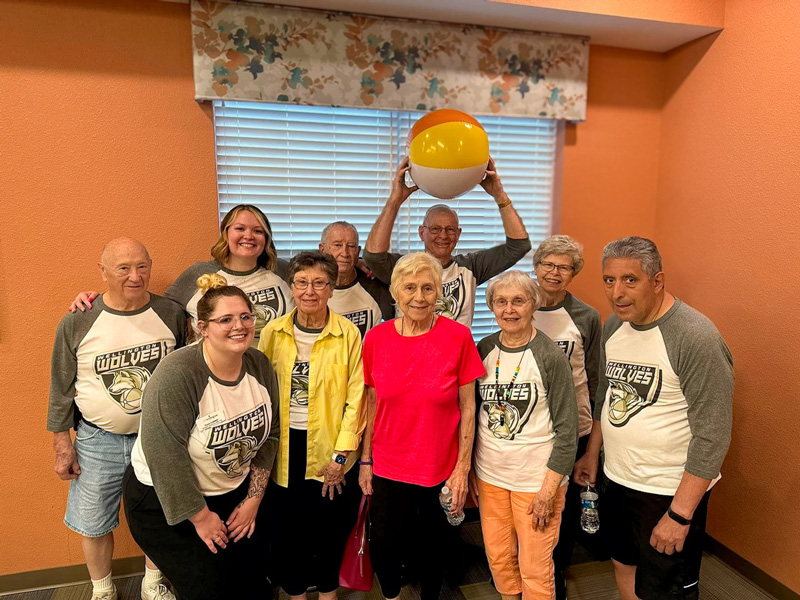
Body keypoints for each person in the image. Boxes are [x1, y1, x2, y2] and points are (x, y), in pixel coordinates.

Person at [573, 236, 734, 600]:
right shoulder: (615, 326)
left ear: (657, 281)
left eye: (631, 280)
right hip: (618, 478)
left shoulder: (695, 337)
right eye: (609, 280)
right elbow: (606, 398)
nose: (617, 292)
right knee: (624, 564)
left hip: (666, 491)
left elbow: (713, 434)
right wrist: (592, 455)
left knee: (665, 589)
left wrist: (679, 515)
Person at [124, 274, 280, 600]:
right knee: (209, 589)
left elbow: (272, 435)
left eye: (245, 316)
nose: (239, 325)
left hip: (229, 491)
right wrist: (200, 516)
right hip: (165, 499)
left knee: (255, 582)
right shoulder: (178, 374)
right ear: (202, 327)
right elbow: (164, 453)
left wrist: (253, 498)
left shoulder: (259, 365)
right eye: (225, 319)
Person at [47, 237, 187, 600]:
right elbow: (60, 387)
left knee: (162, 513)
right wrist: (62, 444)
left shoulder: (171, 313)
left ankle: (153, 583)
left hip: (160, 438)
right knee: (92, 522)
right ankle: (102, 589)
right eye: (123, 268)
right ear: (103, 272)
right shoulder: (78, 319)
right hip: (97, 440)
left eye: (142, 266)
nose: (135, 276)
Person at [359, 252, 485, 600]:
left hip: (439, 464)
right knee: (384, 541)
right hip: (388, 463)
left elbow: (469, 408)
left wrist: (462, 469)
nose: (419, 297)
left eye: (428, 288)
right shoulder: (376, 339)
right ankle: (391, 595)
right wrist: (365, 460)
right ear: (396, 292)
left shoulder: (458, 337)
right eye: (410, 287)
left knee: (435, 545)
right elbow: (370, 402)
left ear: (438, 292)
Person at [258, 251, 365, 600]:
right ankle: (295, 591)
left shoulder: (348, 334)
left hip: (331, 448)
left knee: (330, 529)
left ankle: (329, 591)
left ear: (332, 288)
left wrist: (340, 456)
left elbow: (356, 398)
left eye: (319, 283)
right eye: (302, 282)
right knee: (288, 531)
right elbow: (259, 390)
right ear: (291, 287)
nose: (310, 291)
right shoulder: (273, 332)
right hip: (284, 446)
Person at [471, 270, 578, 600]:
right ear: (491, 307)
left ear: (534, 304)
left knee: (535, 565)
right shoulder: (484, 348)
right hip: (491, 475)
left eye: (518, 301)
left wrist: (549, 489)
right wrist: (472, 471)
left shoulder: (549, 356)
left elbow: (567, 431)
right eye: (501, 302)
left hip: (536, 480)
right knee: (499, 558)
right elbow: (472, 416)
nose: (509, 309)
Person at [70, 204, 292, 344]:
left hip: (270, 375)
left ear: (267, 237)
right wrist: (102, 297)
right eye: (240, 228)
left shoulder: (282, 271)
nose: (248, 236)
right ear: (226, 233)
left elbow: (319, 286)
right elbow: (152, 309)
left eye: (258, 230)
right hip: (212, 380)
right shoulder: (199, 274)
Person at [363, 157, 531, 328]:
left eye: (450, 229)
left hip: (457, 352)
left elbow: (519, 246)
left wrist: (499, 194)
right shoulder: (404, 267)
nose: (443, 235)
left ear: (458, 234)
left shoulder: (472, 266)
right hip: (413, 351)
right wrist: (395, 200)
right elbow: (373, 256)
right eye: (435, 229)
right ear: (422, 233)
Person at [530, 235, 603, 599]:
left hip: (572, 428)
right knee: (528, 502)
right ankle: (526, 571)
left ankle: (556, 573)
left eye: (565, 267)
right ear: (536, 266)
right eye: (548, 264)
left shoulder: (587, 317)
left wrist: (592, 445)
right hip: (528, 429)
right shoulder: (518, 306)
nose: (555, 273)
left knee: (563, 507)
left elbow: (594, 378)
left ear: (573, 273)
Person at [319, 220, 394, 337]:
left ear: (358, 251)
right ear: (322, 249)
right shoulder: (310, 287)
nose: (344, 253)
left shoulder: (376, 285)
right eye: (337, 245)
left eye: (351, 246)